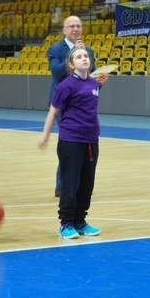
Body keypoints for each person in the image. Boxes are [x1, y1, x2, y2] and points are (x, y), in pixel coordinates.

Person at [39, 47, 107, 239]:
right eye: (79, 57)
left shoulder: (94, 83)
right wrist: (45, 135)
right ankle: (66, 223)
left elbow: (87, 98)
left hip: (91, 140)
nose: (84, 58)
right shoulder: (65, 85)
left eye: (86, 56)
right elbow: (53, 111)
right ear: (71, 64)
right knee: (70, 183)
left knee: (87, 184)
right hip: (71, 140)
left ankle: (80, 221)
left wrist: (100, 83)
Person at [46, 15, 96, 197]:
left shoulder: (88, 50)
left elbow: (91, 74)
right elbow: (56, 72)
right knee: (69, 143)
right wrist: (74, 53)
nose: (76, 29)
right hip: (63, 104)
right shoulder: (55, 49)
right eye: (72, 26)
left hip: (82, 104)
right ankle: (62, 185)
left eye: (78, 26)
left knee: (80, 145)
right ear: (64, 30)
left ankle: (75, 183)